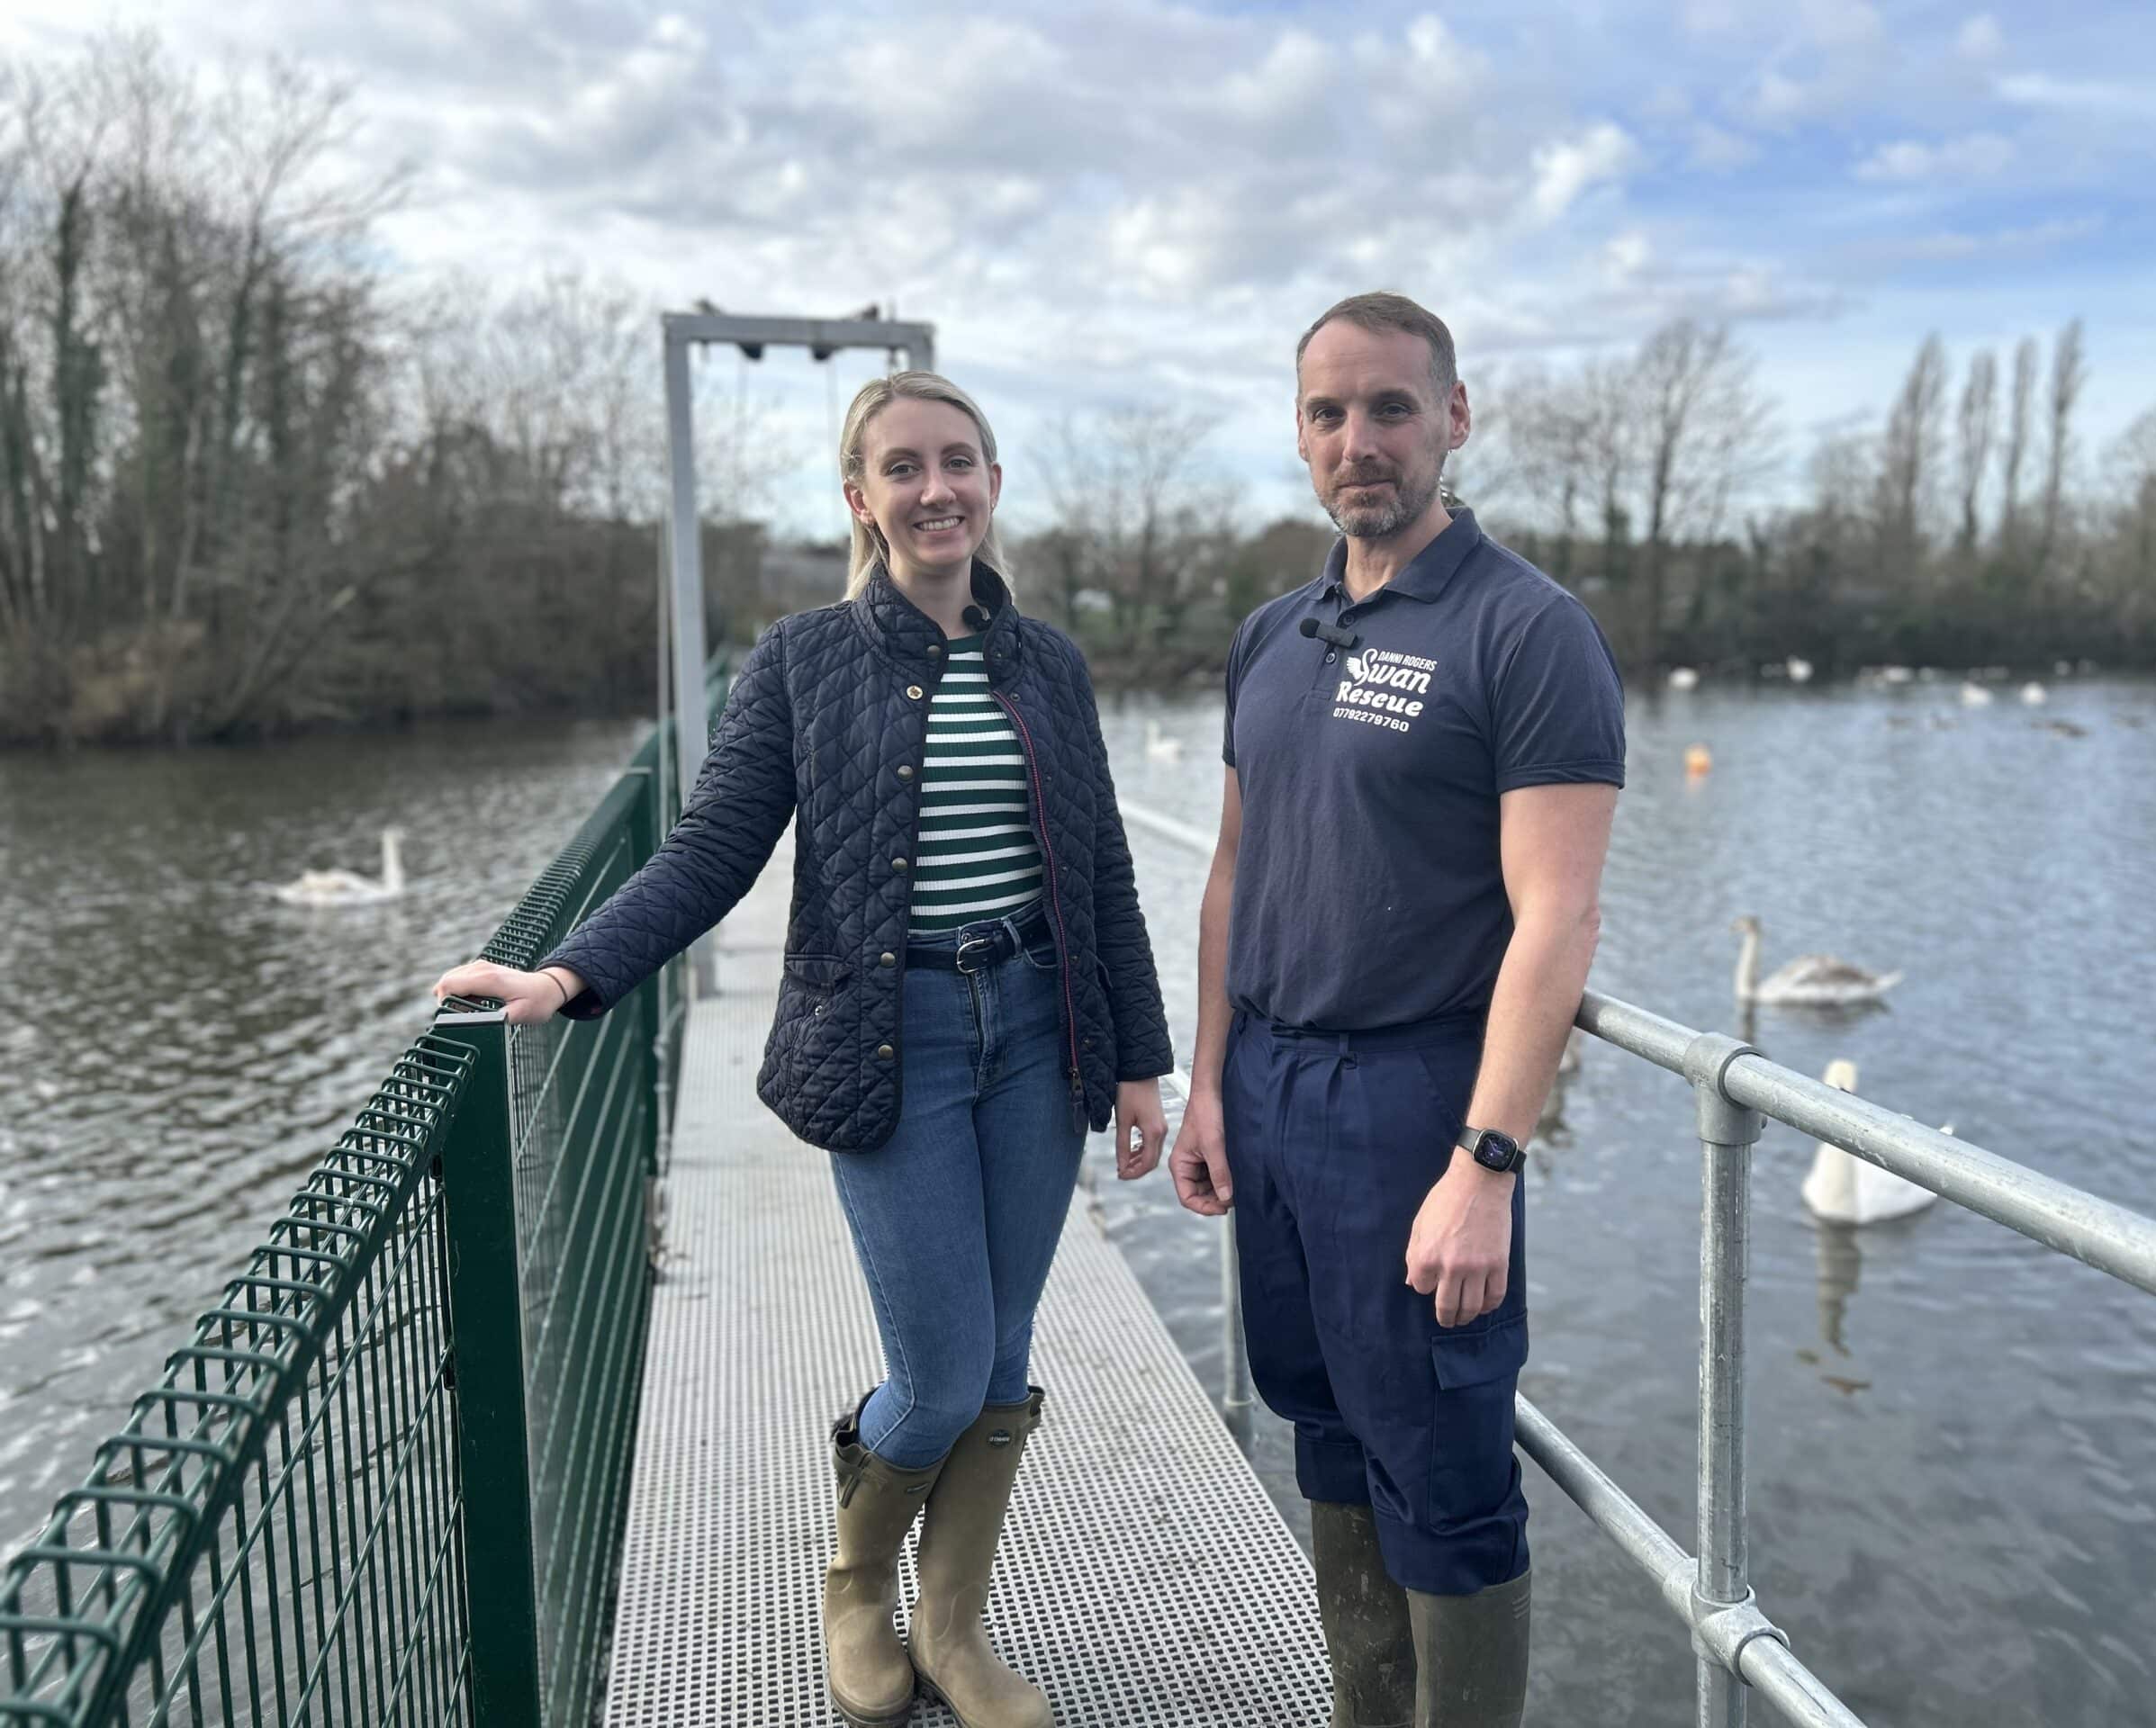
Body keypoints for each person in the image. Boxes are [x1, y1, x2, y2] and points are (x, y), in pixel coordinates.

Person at [433, 370, 1173, 1728]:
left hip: (1037, 1035)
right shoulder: (800, 662)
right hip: (890, 1049)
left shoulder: (1051, 665)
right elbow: (713, 848)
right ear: (862, 500)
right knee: (941, 1367)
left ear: (994, 484)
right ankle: (855, 1585)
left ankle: (953, 1630)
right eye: (904, 467)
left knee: (1001, 1360)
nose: (936, 486)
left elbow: (1104, 872)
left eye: (960, 460)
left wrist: (1140, 1060)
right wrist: (569, 971)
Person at [1167, 293, 1624, 1727]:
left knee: (1443, 1461)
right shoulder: (1272, 635)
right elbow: (1237, 870)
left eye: (1389, 409)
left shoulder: (1525, 631)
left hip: (1419, 1104)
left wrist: (1488, 1163)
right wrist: (1206, 1084)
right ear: (1299, 435)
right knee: (1323, 1422)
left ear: (1455, 418)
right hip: (1273, 1092)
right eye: (1326, 413)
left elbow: (1559, 916)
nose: (1357, 442)